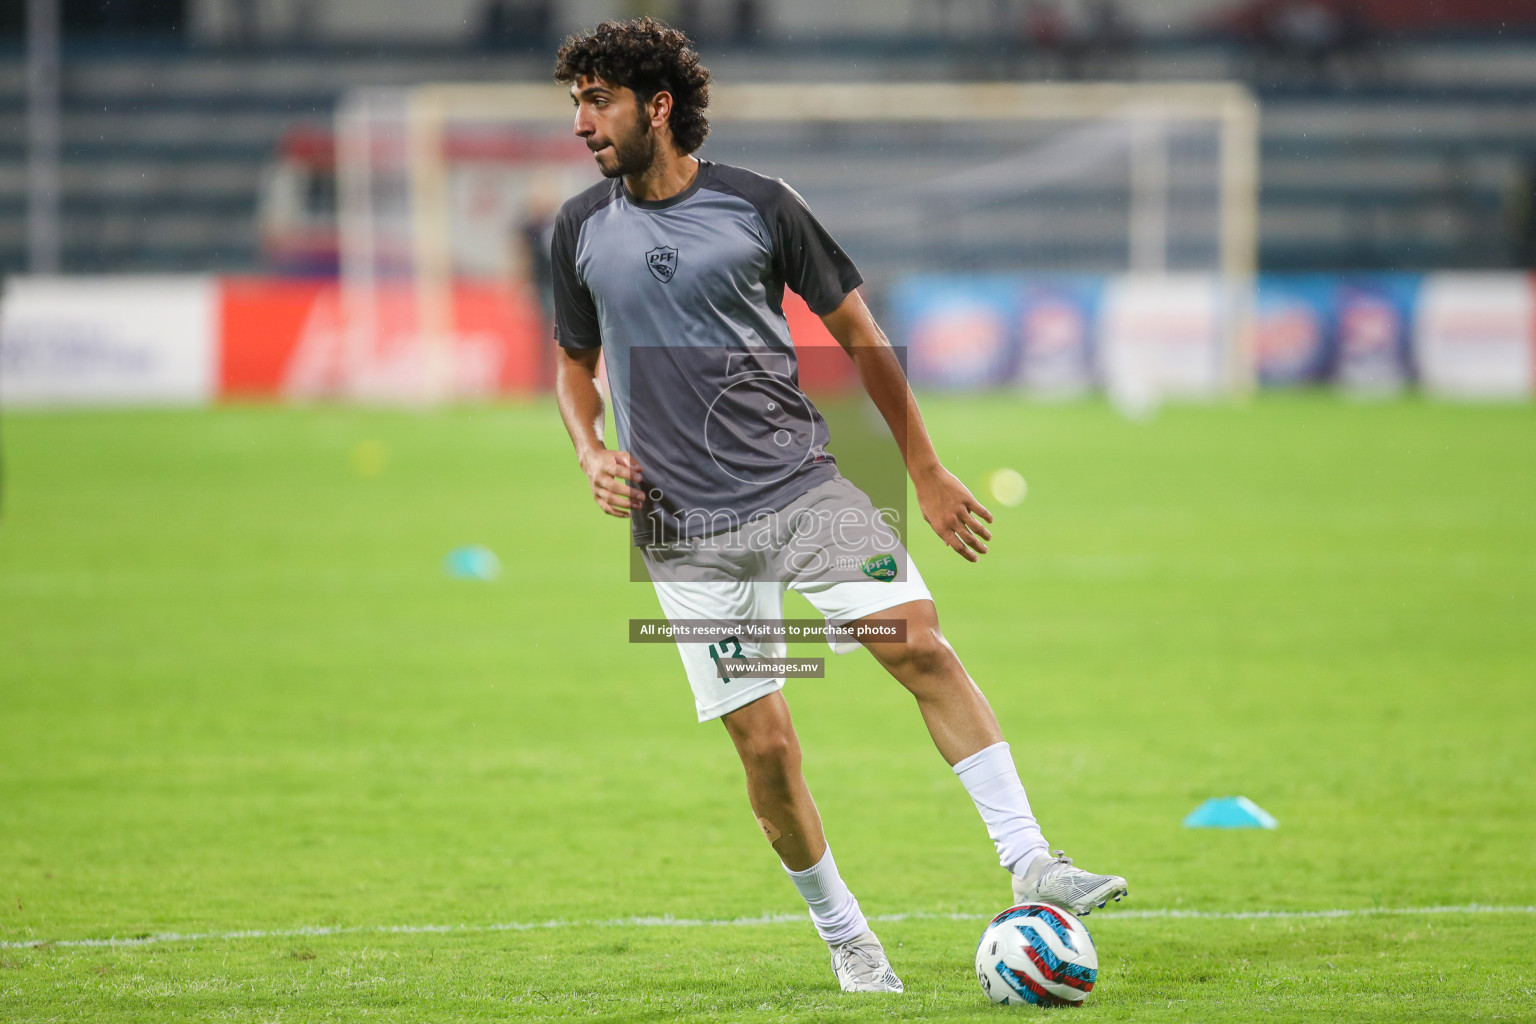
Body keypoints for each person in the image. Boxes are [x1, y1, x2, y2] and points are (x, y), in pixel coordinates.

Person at [549, 18, 1127, 995]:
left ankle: (1031, 859)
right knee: (766, 745)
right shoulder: (578, 230)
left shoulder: (762, 206)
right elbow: (572, 365)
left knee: (917, 640)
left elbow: (859, 333)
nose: (580, 124)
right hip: (682, 534)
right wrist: (590, 448)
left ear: (656, 107)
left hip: (801, 489)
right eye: (575, 104)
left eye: (596, 100)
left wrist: (928, 470)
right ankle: (848, 937)